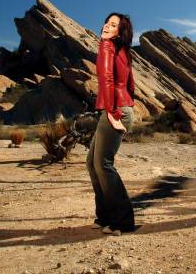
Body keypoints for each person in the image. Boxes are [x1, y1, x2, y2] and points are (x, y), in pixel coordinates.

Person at [86, 12, 137, 235]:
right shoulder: (123, 51)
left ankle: (123, 221)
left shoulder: (107, 46)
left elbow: (107, 79)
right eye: (106, 22)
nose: (106, 26)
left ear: (120, 31)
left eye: (113, 24)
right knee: (92, 163)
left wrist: (114, 113)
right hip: (117, 108)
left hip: (114, 109)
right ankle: (105, 215)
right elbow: (131, 85)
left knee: (103, 165)